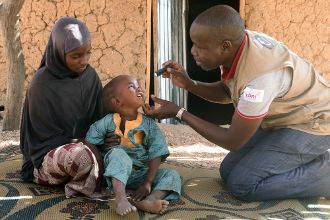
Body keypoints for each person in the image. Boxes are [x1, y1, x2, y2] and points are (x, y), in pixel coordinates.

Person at [143, 5, 330, 201]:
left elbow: (232, 140)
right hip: (285, 119)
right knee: (228, 170)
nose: (193, 51)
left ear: (225, 46)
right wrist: (189, 84)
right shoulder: (239, 44)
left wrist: (179, 113)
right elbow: (227, 91)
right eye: (193, 44)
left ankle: (324, 175)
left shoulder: (259, 80)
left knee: (243, 184)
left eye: (200, 46)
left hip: (314, 124)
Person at [20, 16, 109, 199]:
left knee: (134, 145)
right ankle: (83, 183)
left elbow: (99, 120)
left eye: (88, 53)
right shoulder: (41, 83)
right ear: (59, 52)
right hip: (50, 157)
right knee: (80, 158)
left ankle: (92, 173)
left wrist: (106, 138)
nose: (83, 61)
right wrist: (84, 143)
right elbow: (43, 139)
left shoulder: (90, 76)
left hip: (90, 145)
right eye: (75, 56)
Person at [85, 75, 181, 215]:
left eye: (138, 86)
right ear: (117, 101)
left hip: (140, 174)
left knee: (172, 175)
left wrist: (148, 182)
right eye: (132, 87)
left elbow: (157, 151)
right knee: (118, 154)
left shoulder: (148, 124)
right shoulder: (107, 122)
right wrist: (103, 147)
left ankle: (150, 200)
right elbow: (90, 142)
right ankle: (121, 199)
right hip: (112, 175)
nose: (139, 89)